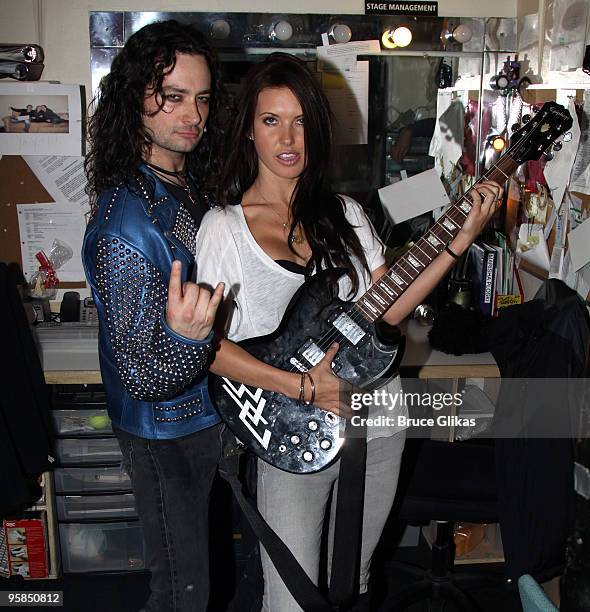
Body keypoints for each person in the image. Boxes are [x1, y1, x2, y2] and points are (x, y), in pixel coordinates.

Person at [195, 53, 503, 612]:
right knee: (290, 599)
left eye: (301, 121)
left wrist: (459, 237)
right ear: (248, 130)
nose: (289, 137)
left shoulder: (346, 214)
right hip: (288, 426)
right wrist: (302, 388)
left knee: (351, 582)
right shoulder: (225, 228)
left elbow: (389, 305)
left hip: (377, 417)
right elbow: (209, 350)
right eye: (271, 120)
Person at [82, 20, 226, 612]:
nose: (191, 113)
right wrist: (188, 338)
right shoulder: (125, 222)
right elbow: (141, 374)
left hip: (203, 415)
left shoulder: (181, 185)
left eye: (201, 98)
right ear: (135, 98)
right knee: (180, 591)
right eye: (172, 97)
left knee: (203, 577)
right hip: (162, 434)